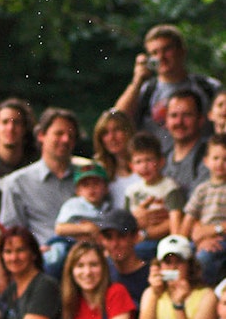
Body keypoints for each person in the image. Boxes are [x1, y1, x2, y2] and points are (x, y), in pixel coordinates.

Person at [113, 24, 222, 151]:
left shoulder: (208, 87)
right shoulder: (146, 91)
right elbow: (117, 121)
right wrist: (137, 82)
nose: (161, 57)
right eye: (154, 52)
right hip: (155, 167)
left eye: (167, 49)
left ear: (182, 51)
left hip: (202, 166)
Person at [0, 107, 81, 252]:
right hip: (42, 260)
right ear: (41, 135)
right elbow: (11, 232)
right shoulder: (17, 183)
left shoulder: (86, 178)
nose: (66, 139)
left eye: (71, 135)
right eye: (59, 133)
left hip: (84, 259)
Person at [124, 131, 185, 260]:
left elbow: (175, 222)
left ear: (161, 161)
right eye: (138, 162)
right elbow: (125, 221)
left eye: (149, 160)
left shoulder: (169, 188)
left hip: (160, 241)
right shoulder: (131, 191)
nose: (144, 166)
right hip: (136, 240)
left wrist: (146, 235)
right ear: (131, 166)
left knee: (139, 250)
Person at [48, 162, 112, 273]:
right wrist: (86, 228)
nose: (91, 189)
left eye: (96, 184)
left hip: (91, 247)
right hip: (67, 242)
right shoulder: (74, 204)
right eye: (85, 185)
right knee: (55, 257)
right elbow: (59, 229)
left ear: (106, 188)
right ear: (78, 191)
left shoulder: (108, 208)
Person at [180, 133, 226, 286]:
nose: (220, 163)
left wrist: (212, 230)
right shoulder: (202, 190)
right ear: (206, 161)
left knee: (205, 258)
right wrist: (199, 237)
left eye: (225, 159)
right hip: (200, 239)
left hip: (221, 239)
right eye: (216, 158)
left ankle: (204, 292)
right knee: (179, 255)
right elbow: (187, 224)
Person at [0, 97, 39, 184]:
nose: (10, 128)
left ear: (25, 128)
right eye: (5, 122)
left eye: (16, 122)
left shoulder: (37, 159)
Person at [163, 89, 211, 198]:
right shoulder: (161, 160)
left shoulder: (210, 157)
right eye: (174, 115)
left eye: (187, 115)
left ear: (200, 119)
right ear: (166, 120)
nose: (179, 122)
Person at [92, 109, 140, 209]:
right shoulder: (99, 171)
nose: (111, 137)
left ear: (128, 131)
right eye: (105, 133)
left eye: (117, 130)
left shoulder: (145, 164)